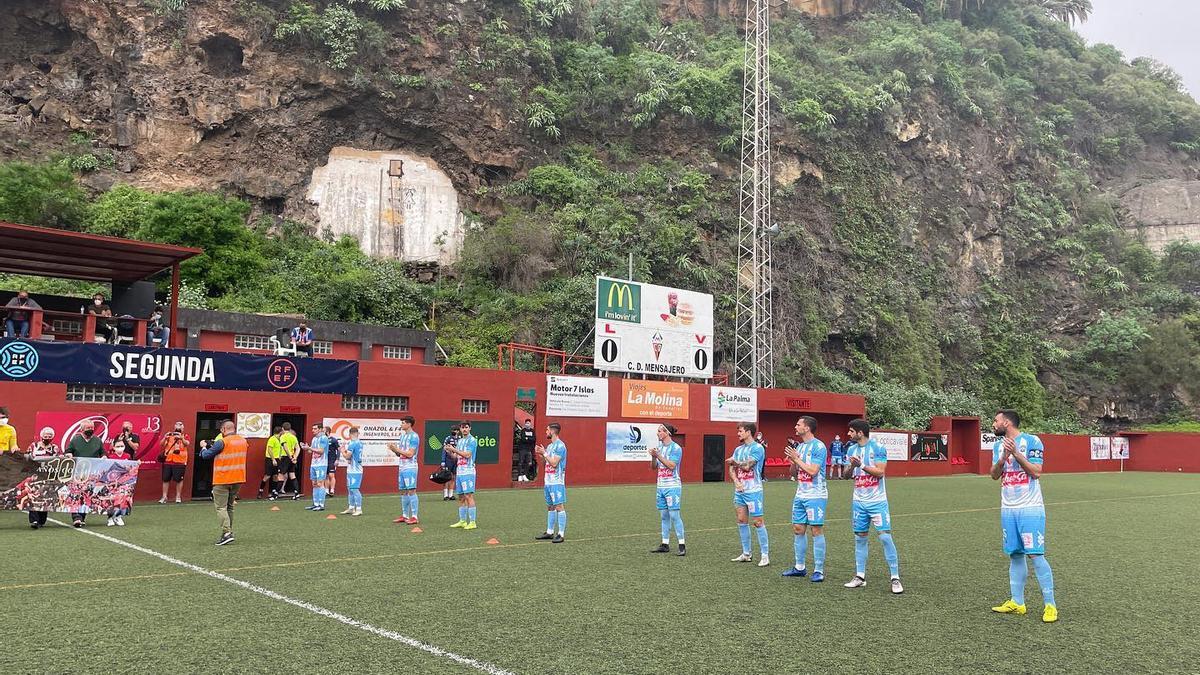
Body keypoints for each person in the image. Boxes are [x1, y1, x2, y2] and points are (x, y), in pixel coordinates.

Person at [989, 409, 1057, 623]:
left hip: (1030, 508)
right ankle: (1017, 602)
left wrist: (1017, 454)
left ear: (1007, 422)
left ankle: (1050, 605)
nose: (993, 424)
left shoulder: (1032, 441)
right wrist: (1003, 458)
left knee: (1035, 554)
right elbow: (993, 475)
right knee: (1015, 554)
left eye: (996, 420)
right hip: (1008, 509)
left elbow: (1037, 472)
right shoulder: (998, 445)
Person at [842, 419, 903, 593]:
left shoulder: (878, 448)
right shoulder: (852, 449)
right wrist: (851, 467)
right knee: (860, 537)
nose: (849, 434)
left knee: (884, 537)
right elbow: (846, 476)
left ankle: (895, 578)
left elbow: (880, 473)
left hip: (877, 502)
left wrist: (861, 464)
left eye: (851, 431)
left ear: (860, 432)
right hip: (858, 502)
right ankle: (860, 576)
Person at [783, 416, 828, 581]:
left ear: (807, 428)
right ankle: (799, 567)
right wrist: (793, 462)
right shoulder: (800, 447)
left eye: (798, 424)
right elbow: (794, 474)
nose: (795, 427)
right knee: (798, 529)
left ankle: (819, 570)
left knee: (816, 530)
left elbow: (813, 471)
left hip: (816, 494)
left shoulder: (819, 446)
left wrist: (797, 459)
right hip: (800, 494)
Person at [198, 420, 247, 546]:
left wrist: (203, 446)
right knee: (230, 507)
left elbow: (206, 455)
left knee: (221, 507)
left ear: (223, 429)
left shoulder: (222, 442)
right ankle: (228, 532)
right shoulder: (243, 440)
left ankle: (226, 533)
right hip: (238, 478)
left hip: (223, 478)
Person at [728, 422, 769, 567]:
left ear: (749, 432)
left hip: (754, 491)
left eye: (740, 431)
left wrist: (735, 462)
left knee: (758, 522)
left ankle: (765, 555)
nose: (738, 434)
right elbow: (731, 469)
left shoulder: (758, 448)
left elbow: (747, 466)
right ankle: (746, 553)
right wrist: (736, 482)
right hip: (740, 491)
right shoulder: (738, 449)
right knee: (741, 520)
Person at [649, 423, 686, 556]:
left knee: (674, 515)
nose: (657, 433)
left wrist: (658, 455)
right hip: (661, 487)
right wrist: (653, 456)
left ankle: (682, 545)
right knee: (664, 516)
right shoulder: (659, 448)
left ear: (667, 433)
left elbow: (671, 466)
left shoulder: (676, 448)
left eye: (660, 431)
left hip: (672, 486)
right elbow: (654, 467)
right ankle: (665, 544)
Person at [66, 420, 104, 527]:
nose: (90, 430)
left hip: (92, 473)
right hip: (78, 472)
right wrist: (69, 454)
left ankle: (82, 517)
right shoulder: (75, 440)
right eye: (88, 428)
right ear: (82, 429)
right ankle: (76, 517)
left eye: (92, 427)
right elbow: (68, 451)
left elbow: (102, 453)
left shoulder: (97, 440)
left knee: (87, 495)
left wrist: (104, 457)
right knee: (75, 494)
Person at [534, 423, 567, 543]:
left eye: (547, 430)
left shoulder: (560, 446)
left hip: (557, 481)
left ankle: (561, 534)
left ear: (553, 431)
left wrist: (545, 453)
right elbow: (546, 463)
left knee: (559, 506)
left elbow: (554, 463)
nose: (546, 431)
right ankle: (549, 532)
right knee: (550, 506)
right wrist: (541, 454)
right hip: (548, 481)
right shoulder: (549, 446)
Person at [25, 427, 62, 529]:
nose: (47, 437)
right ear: (41, 436)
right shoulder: (34, 446)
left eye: (50, 436)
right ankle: (34, 520)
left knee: (45, 498)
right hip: (35, 475)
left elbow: (59, 460)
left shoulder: (55, 448)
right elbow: (27, 457)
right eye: (45, 436)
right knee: (33, 497)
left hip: (48, 477)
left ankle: (41, 520)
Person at [387, 416, 421, 524]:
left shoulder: (414, 437)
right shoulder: (402, 436)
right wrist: (394, 450)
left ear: (409, 424)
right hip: (401, 466)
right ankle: (405, 515)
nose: (401, 425)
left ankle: (415, 516)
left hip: (410, 467)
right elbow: (400, 453)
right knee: (403, 491)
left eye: (403, 423)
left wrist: (397, 449)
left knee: (411, 490)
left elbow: (410, 454)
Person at [446, 422, 478, 530]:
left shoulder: (472, 440)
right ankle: (462, 521)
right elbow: (456, 457)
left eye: (466, 427)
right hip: (460, 471)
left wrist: (454, 450)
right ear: (460, 429)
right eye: (462, 427)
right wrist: (450, 451)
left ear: (470, 428)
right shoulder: (460, 441)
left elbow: (468, 455)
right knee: (460, 496)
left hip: (468, 471)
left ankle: (472, 522)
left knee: (468, 495)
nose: (464, 429)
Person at [158, 421, 190, 504]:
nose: (178, 426)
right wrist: (165, 437)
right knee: (165, 479)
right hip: (168, 461)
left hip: (180, 461)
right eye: (177, 424)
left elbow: (187, 444)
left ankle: (178, 497)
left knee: (179, 480)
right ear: (174, 426)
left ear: (183, 427)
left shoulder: (185, 435)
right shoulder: (170, 435)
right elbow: (161, 444)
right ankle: (164, 496)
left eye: (181, 425)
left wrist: (181, 438)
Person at [104, 440, 133, 527]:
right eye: (118, 446)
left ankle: (118, 516)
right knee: (112, 500)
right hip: (113, 482)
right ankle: (110, 518)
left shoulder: (127, 456)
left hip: (123, 482)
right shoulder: (111, 457)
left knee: (122, 499)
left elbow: (131, 467)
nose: (120, 448)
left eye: (122, 446)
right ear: (114, 447)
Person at [304, 424, 330, 512]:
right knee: (314, 484)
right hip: (314, 464)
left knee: (320, 483)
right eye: (312, 428)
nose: (313, 430)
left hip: (321, 464)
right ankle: (315, 504)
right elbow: (310, 451)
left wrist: (310, 448)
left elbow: (321, 451)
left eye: (315, 428)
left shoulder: (324, 438)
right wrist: (306, 448)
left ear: (320, 429)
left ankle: (321, 504)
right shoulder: (314, 439)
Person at [340, 427, 364, 516]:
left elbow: (347, 457)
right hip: (352, 469)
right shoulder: (360, 443)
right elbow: (352, 456)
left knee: (354, 489)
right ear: (357, 433)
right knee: (350, 489)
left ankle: (359, 508)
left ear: (350, 434)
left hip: (355, 470)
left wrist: (342, 451)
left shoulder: (352, 444)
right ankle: (351, 507)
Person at [257, 426, 284, 500]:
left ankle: (273, 491)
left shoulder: (279, 439)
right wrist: (273, 459)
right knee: (268, 476)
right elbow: (269, 449)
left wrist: (279, 457)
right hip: (270, 459)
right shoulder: (272, 439)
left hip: (277, 459)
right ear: (280, 431)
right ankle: (260, 491)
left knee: (275, 476)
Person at [279, 422, 301, 499]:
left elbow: (285, 447)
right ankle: (296, 493)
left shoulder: (283, 436)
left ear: (282, 428)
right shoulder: (293, 437)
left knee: (281, 475)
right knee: (292, 475)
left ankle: (275, 493)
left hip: (285, 457)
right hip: (292, 456)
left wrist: (290, 457)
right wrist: (294, 457)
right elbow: (298, 448)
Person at [440, 426, 460, 501]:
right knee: (446, 477)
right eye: (453, 430)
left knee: (453, 477)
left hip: (456, 460)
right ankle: (445, 495)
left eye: (456, 430)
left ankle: (451, 494)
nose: (454, 431)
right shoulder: (448, 438)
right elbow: (444, 449)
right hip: (448, 460)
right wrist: (443, 461)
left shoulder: (460, 439)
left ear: (458, 431)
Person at [324, 425, 340, 496]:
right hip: (324, 460)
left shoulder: (333, 440)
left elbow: (338, 450)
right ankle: (326, 490)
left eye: (323, 430)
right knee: (326, 476)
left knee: (331, 475)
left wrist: (337, 459)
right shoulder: (322, 439)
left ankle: (332, 490)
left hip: (332, 460)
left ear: (327, 432)